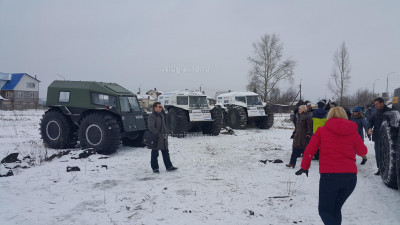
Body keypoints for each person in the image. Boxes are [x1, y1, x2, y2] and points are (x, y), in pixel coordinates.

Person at [295, 106, 367, 225]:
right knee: (334, 209)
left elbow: (309, 150)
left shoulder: (321, 131)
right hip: (350, 179)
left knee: (325, 211)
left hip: (330, 177)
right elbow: (363, 152)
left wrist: (304, 167)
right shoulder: (352, 131)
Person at [148, 102, 178, 173]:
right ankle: (155, 168)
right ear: (155, 108)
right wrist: (157, 134)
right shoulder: (152, 116)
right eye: (159, 107)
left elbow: (164, 126)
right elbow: (151, 127)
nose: (161, 108)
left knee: (165, 152)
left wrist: (167, 132)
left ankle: (169, 166)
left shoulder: (161, 115)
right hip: (156, 138)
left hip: (163, 138)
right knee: (155, 153)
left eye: (161, 107)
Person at [368, 97, 391, 175]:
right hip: (377, 136)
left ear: (382, 103)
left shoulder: (390, 112)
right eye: (375, 104)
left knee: (386, 154)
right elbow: (370, 121)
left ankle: (387, 170)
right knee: (378, 153)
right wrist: (370, 128)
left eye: (377, 104)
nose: (376, 106)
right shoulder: (374, 112)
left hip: (387, 138)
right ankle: (380, 169)